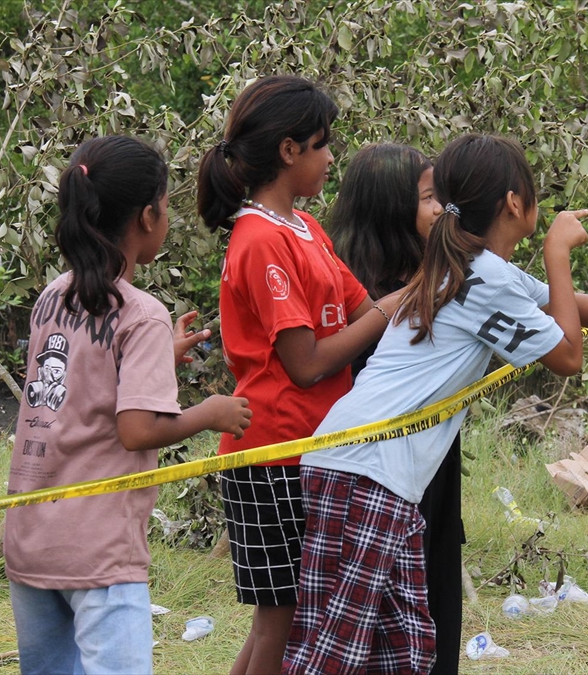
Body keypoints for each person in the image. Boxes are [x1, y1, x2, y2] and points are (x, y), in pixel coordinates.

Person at [283, 133, 588, 674]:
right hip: (366, 471)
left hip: (374, 474)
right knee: (332, 657)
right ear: (514, 202)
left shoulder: (476, 265)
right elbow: (568, 355)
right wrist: (556, 252)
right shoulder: (482, 275)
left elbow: (565, 306)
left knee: (406, 651)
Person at [6, 135, 252, 674]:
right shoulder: (142, 314)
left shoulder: (52, 295)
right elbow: (137, 430)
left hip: (30, 536)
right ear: (146, 216)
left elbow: (78, 382)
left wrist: (159, 358)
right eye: (165, 205)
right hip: (98, 548)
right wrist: (210, 413)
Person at [196, 76, 390, 675]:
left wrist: (417, 297)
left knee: (284, 619)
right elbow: (305, 364)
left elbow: (362, 310)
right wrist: (389, 311)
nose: (331, 158)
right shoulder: (259, 239)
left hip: (313, 447)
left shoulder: (307, 229)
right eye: (321, 144)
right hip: (273, 452)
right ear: (288, 150)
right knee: (280, 624)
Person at [327, 142, 468, 674]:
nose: (442, 210)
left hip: (431, 475)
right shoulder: (367, 300)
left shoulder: (436, 281)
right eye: (429, 198)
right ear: (392, 208)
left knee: (433, 607)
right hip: (383, 481)